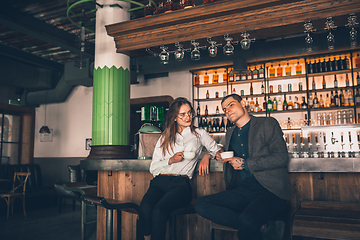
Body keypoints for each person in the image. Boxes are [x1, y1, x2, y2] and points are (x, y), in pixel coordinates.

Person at [195, 94, 294, 240]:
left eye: (231, 105)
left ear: (243, 103)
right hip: (244, 189)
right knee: (201, 204)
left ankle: (253, 223)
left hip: (271, 191)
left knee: (247, 220)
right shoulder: (230, 132)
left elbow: (281, 157)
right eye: (224, 109)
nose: (227, 111)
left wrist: (245, 164)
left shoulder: (267, 123)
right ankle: (262, 226)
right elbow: (220, 150)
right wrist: (212, 155)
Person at [139, 97, 221, 240]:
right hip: (159, 182)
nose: (187, 117)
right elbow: (153, 167)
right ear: (174, 117)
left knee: (159, 211)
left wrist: (208, 155)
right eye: (182, 114)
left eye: (189, 113)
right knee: (145, 208)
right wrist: (170, 160)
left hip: (181, 185)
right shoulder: (165, 136)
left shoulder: (199, 133)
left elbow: (217, 150)